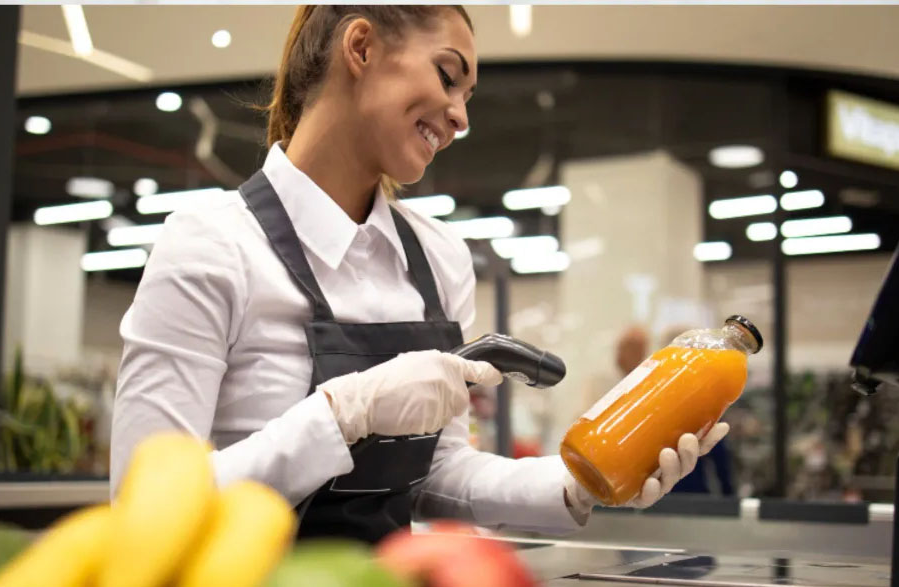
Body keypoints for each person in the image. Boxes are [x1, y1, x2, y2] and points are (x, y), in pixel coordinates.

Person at [110, 5, 729, 544]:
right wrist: (345, 411)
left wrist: (578, 483)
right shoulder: (212, 244)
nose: (461, 117)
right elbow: (145, 512)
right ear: (361, 47)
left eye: (467, 97)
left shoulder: (439, 257)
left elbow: (440, 473)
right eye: (448, 76)